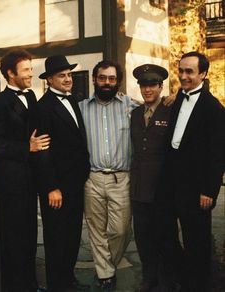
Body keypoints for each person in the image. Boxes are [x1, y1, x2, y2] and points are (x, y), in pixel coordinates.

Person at [155, 51, 225, 292]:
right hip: (170, 185)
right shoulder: (177, 101)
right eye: (181, 70)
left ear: (203, 74)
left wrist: (209, 191)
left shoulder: (214, 109)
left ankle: (197, 285)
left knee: (197, 242)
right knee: (163, 234)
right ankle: (181, 275)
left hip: (196, 189)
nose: (183, 76)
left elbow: (218, 155)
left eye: (189, 72)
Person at [0, 49, 50, 292]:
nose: (31, 74)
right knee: (12, 239)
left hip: (30, 180)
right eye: (26, 70)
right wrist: (27, 147)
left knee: (28, 236)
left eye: (30, 69)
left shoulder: (33, 97)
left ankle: (30, 283)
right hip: (10, 182)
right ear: (10, 73)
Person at [35, 55, 90, 292]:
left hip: (76, 183)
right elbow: (42, 152)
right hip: (57, 187)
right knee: (56, 238)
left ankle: (67, 278)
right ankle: (57, 285)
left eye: (69, 74)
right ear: (49, 80)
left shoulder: (74, 100)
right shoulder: (43, 107)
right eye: (62, 75)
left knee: (72, 236)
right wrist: (51, 187)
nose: (68, 79)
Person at [79, 60, 134, 291]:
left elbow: (155, 107)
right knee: (96, 229)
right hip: (92, 178)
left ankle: (107, 264)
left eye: (112, 79)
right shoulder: (81, 108)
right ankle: (105, 274)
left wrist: (170, 98)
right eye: (102, 78)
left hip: (121, 179)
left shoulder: (130, 105)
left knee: (121, 230)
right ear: (94, 79)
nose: (107, 83)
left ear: (117, 81)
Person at [130, 64, 179, 292]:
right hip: (139, 190)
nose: (147, 89)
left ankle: (169, 279)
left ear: (161, 87)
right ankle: (149, 278)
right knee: (143, 239)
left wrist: (178, 94)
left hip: (162, 190)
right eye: (143, 85)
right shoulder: (136, 114)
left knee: (166, 237)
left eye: (152, 85)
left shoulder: (172, 110)